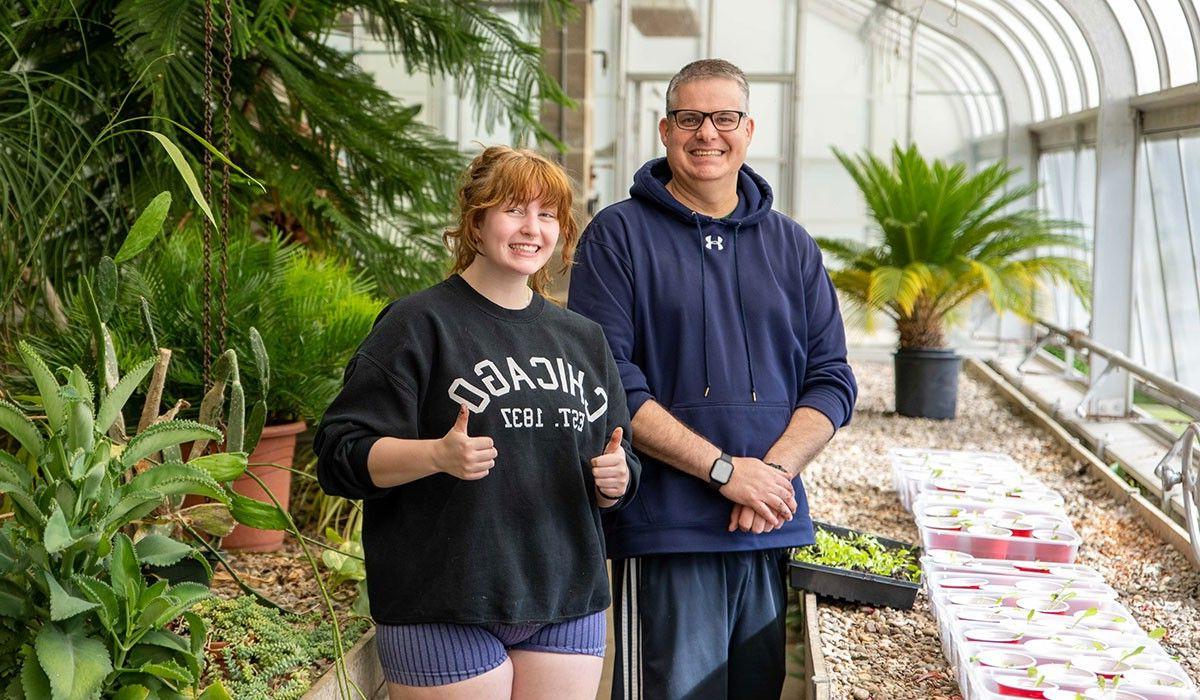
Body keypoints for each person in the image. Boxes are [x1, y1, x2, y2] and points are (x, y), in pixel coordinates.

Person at [568, 59, 858, 700]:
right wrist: (726, 471)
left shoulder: (792, 245)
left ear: (748, 129)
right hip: (668, 531)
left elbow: (832, 379)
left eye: (724, 117)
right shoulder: (617, 236)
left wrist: (771, 475)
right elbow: (607, 382)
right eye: (691, 118)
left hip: (766, 523)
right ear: (666, 129)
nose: (708, 133)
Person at [315, 145, 641, 700]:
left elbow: (618, 458)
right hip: (442, 602)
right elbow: (338, 455)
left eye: (548, 215)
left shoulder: (583, 338)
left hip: (564, 600)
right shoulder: (418, 323)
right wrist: (435, 456)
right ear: (476, 219)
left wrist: (619, 481)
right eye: (514, 209)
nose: (531, 229)